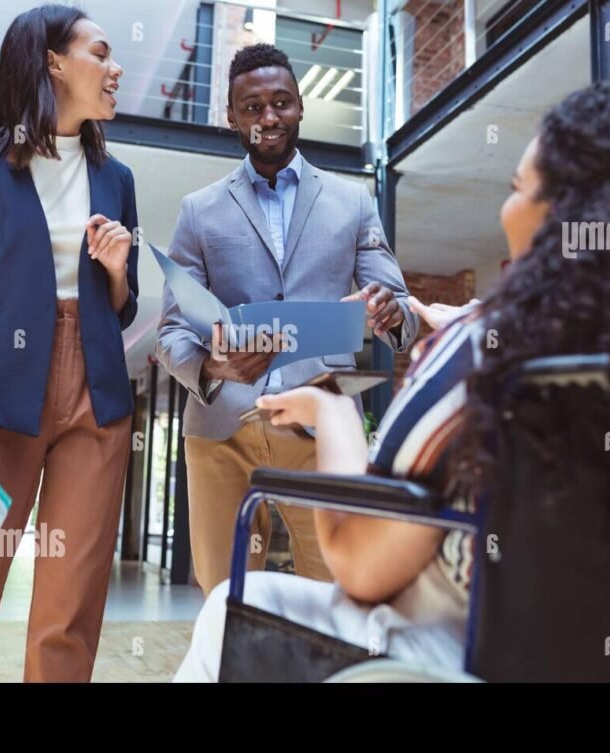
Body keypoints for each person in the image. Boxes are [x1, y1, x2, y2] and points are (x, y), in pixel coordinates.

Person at [173, 83, 610, 681]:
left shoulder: (486, 353)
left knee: (229, 606)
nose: (504, 211)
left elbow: (361, 562)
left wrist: (333, 413)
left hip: (468, 650)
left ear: (565, 215)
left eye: (515, 190)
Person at [0, 4, 139, 682]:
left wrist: (119, 273)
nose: (115, 67)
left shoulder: (117, 179)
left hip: (96, 404)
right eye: (100, 53)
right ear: (52, 62)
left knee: (67, 620)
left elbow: (121, 315)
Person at [156, 44, 419, 596]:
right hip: (221, 429)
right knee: (226, 596)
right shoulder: (199, 211)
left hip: (319, 421)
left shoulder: (353, 202)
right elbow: (172, 332)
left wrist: (390, 313)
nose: (268, 118)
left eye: (281, 103)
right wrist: (212, 367)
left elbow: (399, 310)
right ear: (232, 117)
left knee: (335, 588)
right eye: (252, 107)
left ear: (300, 106)